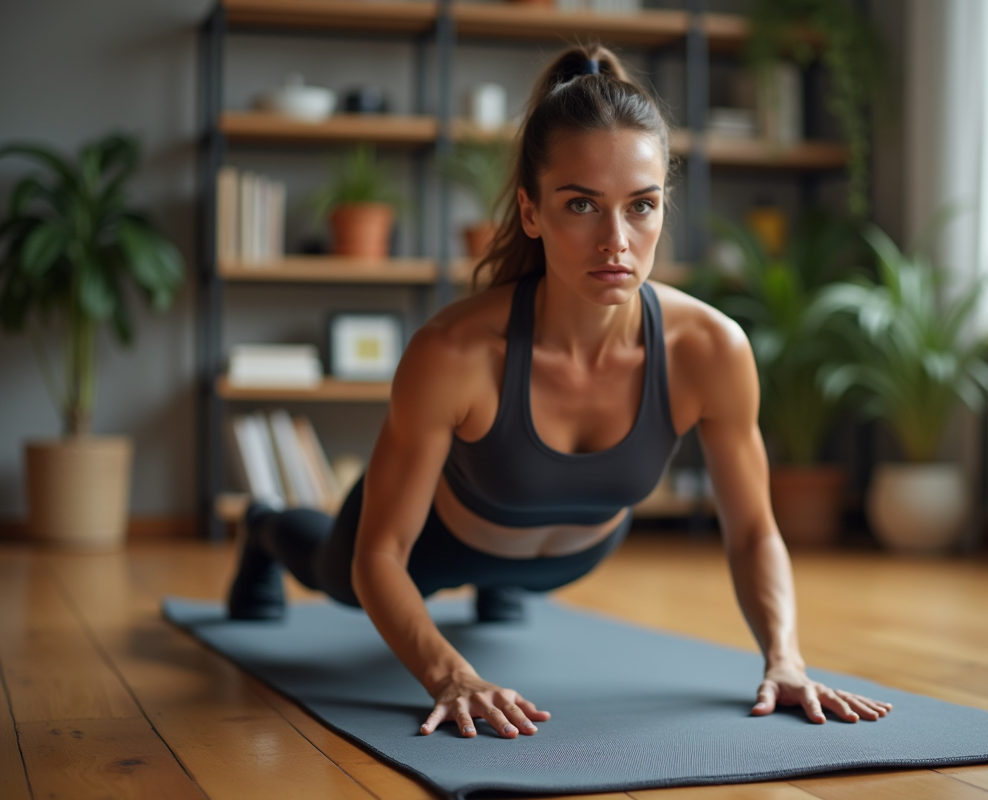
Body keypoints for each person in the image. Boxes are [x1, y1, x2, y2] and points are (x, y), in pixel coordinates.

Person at [227, 44, 893, 741]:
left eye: (642, 206)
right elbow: (379, 558)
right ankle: (267, 525)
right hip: (439, 543)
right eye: (581, 204)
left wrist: (785, 659)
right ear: (532, 211)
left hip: (574, 554)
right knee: (337, 580)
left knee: (512, 577)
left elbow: (753, 529)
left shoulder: (710, 349)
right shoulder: (454, 352)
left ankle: (501, 590)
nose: (616, 241)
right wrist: (452, 675)